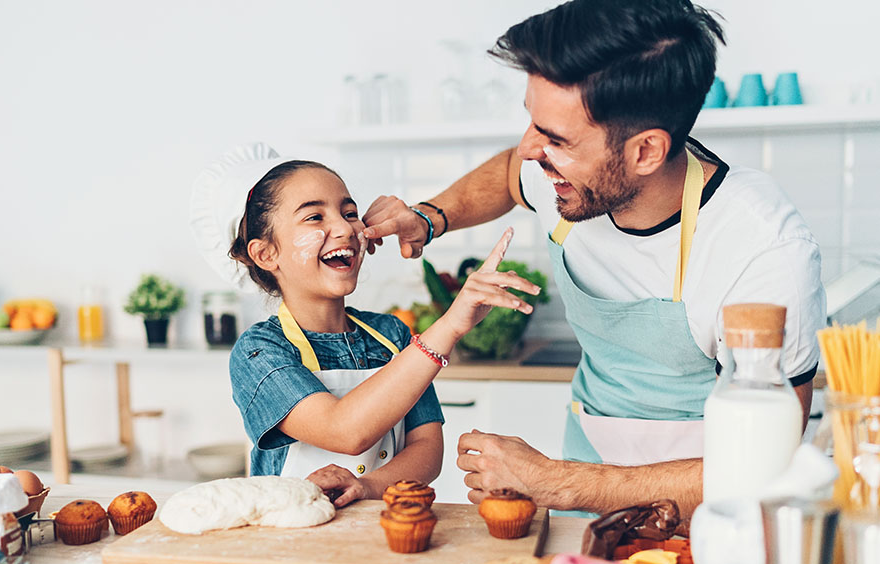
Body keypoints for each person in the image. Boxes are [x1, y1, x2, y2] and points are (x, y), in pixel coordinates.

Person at [360, 0, 826, 518]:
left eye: (555, 139)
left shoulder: (760, 248)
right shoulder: (563, 172)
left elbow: (759, 463)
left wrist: (555, 482)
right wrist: (430, 217)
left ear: (646, 151)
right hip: (585, 477)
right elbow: (509, 173)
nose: (531, 149)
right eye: (533, 124)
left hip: (711, 518)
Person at [227, 159, 540, 507]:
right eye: (315, 217)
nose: (346, 229)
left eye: (349, 213)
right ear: (266, 253)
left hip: (386, 526)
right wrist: (450, 325)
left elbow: (428, 448)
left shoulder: (391, 332)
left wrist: (367, 487)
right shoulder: (259, 350)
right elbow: (344, 430)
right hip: (292, 538)